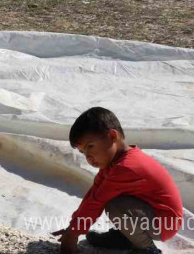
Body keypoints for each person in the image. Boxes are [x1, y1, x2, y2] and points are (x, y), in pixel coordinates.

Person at [53, 107, 183, 254]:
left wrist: (73, 234)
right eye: (83, 152)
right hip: (151, 214)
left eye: (90, 147)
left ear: (112, 136)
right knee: (116, 201)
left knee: (115, 206)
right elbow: (93, 194)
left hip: (164, 223)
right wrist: (73, 228)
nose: (88, 157)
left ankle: (146, 248)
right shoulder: (114, 163)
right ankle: (126, 237)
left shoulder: (125, 168)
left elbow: (97, 201)